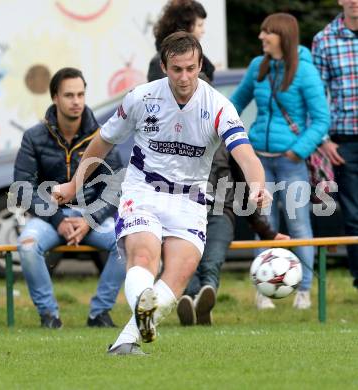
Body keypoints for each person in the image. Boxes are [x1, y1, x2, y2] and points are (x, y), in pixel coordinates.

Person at [52, 32, 270, 355]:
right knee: (144, 257)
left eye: (191, 69)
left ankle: (127, 339)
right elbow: (103, 140)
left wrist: (257, 185)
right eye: (177, 69)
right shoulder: (141, 98)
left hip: (191, 199)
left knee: (180, 273)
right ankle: (143, 314)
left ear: (199, 67)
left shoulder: (219, 107)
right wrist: (74, 185)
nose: (184, 77)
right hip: (143, 191)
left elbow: (246, 155)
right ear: (165, 67)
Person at [230, 13, 330, 309]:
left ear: (282, 36)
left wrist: (298, 150)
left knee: (299, 226)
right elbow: (234, 103)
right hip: (259, 161)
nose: (261, 37)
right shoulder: (256, 67)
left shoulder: (306, 71)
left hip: (291, 163)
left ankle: (305, 292)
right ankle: (263, 291)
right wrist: (232, 135)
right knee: (263, 224)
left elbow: (321, 119)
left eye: (267, 33)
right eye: (261, 32)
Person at [14, 67, 126, 329]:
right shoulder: (34, 137)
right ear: (55, 97)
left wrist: (89, 219)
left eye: (80, 94)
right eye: (69, 95)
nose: (76, 101)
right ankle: (49, 316)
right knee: (28, 246)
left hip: (92, 217)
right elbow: (22, 187)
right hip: (50, 217)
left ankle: (99, 313)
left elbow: (115, 188)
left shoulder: (102, 135)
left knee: (128, 242)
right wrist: (57, 219)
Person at [177, 143, 290, 325]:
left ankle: (203, 300)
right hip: (182, 211)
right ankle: (191, 302)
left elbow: (243, 188)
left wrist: (266, 232)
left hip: (220, 212)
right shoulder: (174, 137)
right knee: (186, 263)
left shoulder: (229, 140)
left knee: (211, 262)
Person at [312, 0, 358, 291]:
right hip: (344, 143)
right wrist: (323, 140)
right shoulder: (324, 40)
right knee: (354, 217)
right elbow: (317, 94)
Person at [147, 0, 215, 83]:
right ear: (185, 26)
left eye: (191, 68)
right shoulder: (158, 62)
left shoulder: (201, 60)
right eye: (200, 25)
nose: (203, 31)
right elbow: (158, 94)